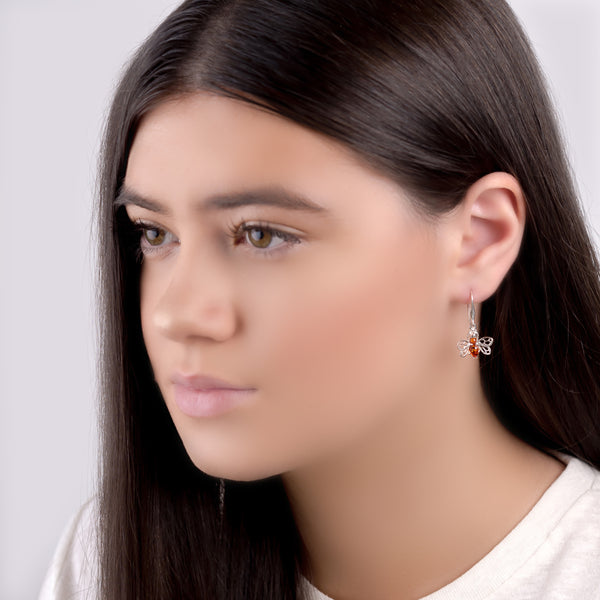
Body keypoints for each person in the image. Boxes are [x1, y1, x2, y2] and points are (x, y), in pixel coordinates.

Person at [39, 0, 600, 598]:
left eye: (262, 235)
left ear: (479, 242)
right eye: (155, 234)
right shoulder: (107, 562)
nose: (175, 314)